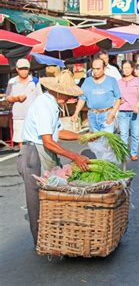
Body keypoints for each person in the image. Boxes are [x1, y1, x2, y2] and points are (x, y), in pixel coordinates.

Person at [18, 70, 90, 245]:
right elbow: (48, 141)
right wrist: (75, 156)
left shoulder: (52, 104)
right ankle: (40, 242)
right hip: (33, 153)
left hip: (42, 150)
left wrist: (83, 136)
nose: (67, 98)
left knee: (49, 195)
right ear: (57, 91)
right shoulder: (44, 105)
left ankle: (51, 236)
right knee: (37, 199)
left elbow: (58, 132)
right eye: (66, 94)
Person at [72, 58, 121, 133]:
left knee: (106, 141)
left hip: (107, 114)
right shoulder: (87, 81)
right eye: (93, 69)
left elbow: (118, 98)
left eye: (98, 69)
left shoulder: (112, 80)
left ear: (104, 68)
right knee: (95, 142)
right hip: (92, 115)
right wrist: (76, 113)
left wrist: (112, 114)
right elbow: (82, 98)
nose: (95, 71)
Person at [5, 59, 42, 145]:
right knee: (20, 140)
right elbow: (8, 97)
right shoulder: (12, 82)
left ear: (29, 69)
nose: (24, 71)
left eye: (26, 68)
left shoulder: (35, 81)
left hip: (33, 116)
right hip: (19, 116)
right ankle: (23, 156)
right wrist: (17, 99)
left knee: (34, 140)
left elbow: (40, 98)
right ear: (17, 69)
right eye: (21, 69)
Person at [117, 61, 139, 161]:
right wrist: (119, 101)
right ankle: (124, 153)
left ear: (132, 69)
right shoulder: (119, 82)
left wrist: (137, 105)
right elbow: (116, 96)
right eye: (124, 68)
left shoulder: (137, 81)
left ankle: (133, 153)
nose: (126, 70)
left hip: (135, 111)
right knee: (123, 134)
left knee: (135, 134)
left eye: (128, 68)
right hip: (122, 111)